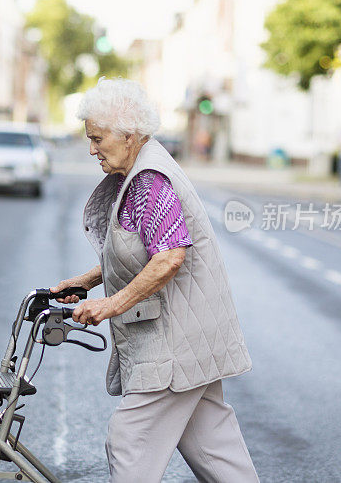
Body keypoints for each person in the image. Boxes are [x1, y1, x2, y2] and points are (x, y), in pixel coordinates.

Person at [51, 78, 258, 483]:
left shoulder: (150, 178)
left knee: (130, 441)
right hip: (192, 338)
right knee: (216, 452)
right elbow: (147, 248)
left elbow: (168, 257)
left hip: (175, 343)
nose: (91, 148)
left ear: (129, 135)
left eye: (97, 138)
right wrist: (91, 281)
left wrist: (111, 304)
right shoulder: (141, 172)